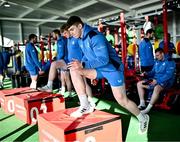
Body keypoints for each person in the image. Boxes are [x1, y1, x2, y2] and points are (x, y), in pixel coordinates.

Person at [66, 16, 149, 134]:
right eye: (70, 31)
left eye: (72, 29)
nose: (71, 33)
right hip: (100, 69)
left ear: (80, 26)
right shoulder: (80, 39)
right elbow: (86, 55)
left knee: (122, 100)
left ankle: (143, 118)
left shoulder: (95, 36)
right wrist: (86, 70)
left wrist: (83, 64)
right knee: (73, 69)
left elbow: (104, 59)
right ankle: (85, 105)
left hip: (112, 69)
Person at [137, 48, 176, 114]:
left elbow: (168, 75)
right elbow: (153, 72)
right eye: (156, 56)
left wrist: (157, 81)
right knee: (139, 84)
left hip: (167, 81)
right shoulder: (157, 61)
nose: (156, 57)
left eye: (158, 55)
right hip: (155, 80)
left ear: (162, 54)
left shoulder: (170, 62)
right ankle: (142, 103)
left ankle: (148, 109)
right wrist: (146, 73)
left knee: (156, 88)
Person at [38, 29, 69, 94]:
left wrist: (56, 60)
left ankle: (49, 86)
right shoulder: (62, 40)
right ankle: (68, 92)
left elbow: (61, 54)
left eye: (53, 35)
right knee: (65, 79)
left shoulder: (61, 40)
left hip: (65, 61)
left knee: (53, 64)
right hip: (65, 61)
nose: (52, 36)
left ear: (56, 34)